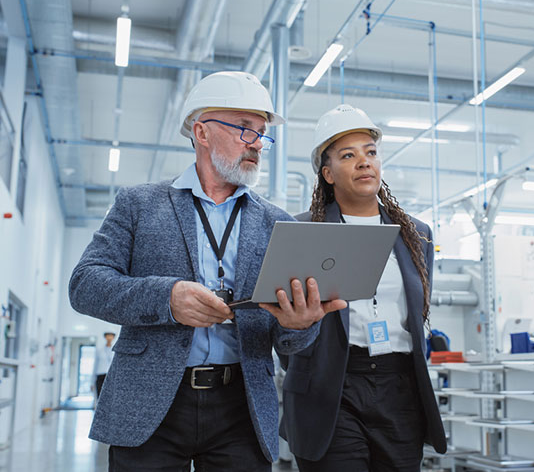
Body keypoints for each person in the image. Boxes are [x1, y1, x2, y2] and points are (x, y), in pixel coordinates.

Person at [69, 71, 345, 472]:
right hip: (150, 401)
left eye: (262, 134)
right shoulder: (139, 204)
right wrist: (167, 299)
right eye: (244, 130)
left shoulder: (278, 224)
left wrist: (300, 325)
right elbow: (85, 285)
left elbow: (288, 344)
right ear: (201, 131)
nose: (257, 145)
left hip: (242, 406)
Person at [279, 104, 447, 472]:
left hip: (399, 387)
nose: (364, 162)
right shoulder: (302, 231)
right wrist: (311, 365)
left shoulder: (417, 234)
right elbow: (284, 324)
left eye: (370, 152)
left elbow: (418, 313)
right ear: (327, 173)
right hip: (330, 388)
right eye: (348, 155)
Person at [93, 331, 116, 399]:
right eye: (108, 335)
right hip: (100, 376)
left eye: (111, 335)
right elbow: (95, 366)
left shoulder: (115, 351)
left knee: (110, 398)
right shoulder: (99, 350)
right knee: (100, 397)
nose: (109, 337)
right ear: (105, 337)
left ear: (113, 337)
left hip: (111, 376)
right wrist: (92, 382)